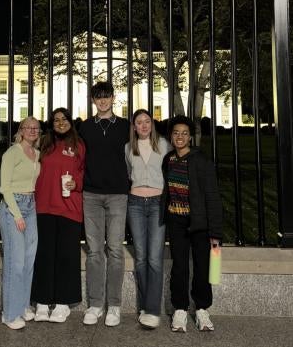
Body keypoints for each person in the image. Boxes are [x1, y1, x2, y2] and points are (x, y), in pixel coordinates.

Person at [161, 115, 222, 332]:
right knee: (179, 266)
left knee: (201, 265)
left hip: (199, 222)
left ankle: (202, 309)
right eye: (176, 133)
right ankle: (180, 309)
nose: (180, 136)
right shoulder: (168, 159)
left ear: (190, 137)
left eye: (184, 133)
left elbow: (212, 196)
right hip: (176, 220)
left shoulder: (201, 160)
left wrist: (215, 231)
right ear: (171, 136)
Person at [79, 81, 129, 327]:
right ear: (93, 100)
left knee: (116, 250)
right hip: (91, 195)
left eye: (106, 96)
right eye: (98, 97)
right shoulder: (85, 127)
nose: (102, 101)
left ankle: (115, 306)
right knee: (95, 251)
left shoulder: (125, 126)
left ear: (113, 98)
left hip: (118, 194)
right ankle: (96, 304)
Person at [31, 107, 85, 323]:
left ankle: (63, 303)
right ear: (51, 124)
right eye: (56, 120)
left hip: (69, 207)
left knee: (67, 257)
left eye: (64, 119)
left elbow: (83, 172)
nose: (60, 122)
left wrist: (76, 183)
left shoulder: (78, 145)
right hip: (44, 206)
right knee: (44, 256)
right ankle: (42, 301)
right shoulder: (44, 144)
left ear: (70, 122)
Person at [125, 109, 172, 329]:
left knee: (154, 258)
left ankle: (153, 310)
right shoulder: (128, 148)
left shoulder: (163, 145)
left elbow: (170, 173)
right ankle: (144, 305)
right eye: (139, 122)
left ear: (152, 124)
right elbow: (128, 174)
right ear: (134, 127)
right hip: (135, 203)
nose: (143, 126)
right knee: (141, 258)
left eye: (147, 122)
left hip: (156, 204)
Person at [0, 116, 41, 330]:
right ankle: (10, 313)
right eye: (28, 127)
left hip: (31, 205)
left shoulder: (37, 154)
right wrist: (17, 215)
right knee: (16, 262)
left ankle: (23, 305)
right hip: (12, 207)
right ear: (21, 130)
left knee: (28, 259)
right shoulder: (12, 153)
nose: (33, 130)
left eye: (36, 127)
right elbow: (4, 188)